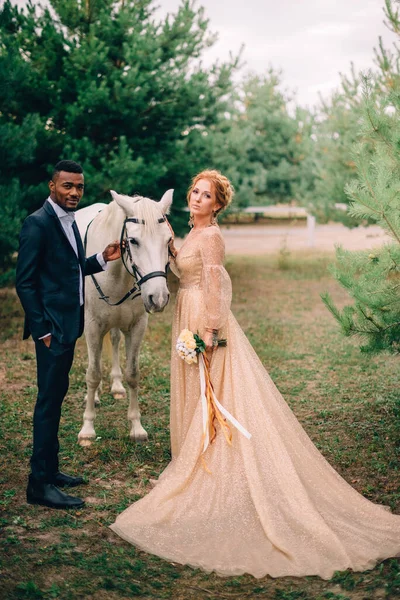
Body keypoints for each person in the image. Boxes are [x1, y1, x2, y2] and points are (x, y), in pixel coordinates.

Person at [110, 170, 400, 579]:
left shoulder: (211, 237)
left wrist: (209, 330)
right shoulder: (191, 234)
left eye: (205, 195)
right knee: (198, 392)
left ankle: (213, 468)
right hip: (185, 313)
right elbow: (176, 264)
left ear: (217, 204)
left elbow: (215, 281)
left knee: (216, 392)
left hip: (204, 321)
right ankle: (195, 461)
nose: (196, 198)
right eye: (194, 191)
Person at [16, 160, 122, 510]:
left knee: (57, 397)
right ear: (52, 186)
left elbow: (69, 268)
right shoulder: (38, 224)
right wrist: (42, 329)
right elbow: (26, 283)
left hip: (68, 325)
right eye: (67, 186)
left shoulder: (69, 220)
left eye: (79, 187)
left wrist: (100, 259)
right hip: (52, 330)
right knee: (48, 403)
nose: (75, 192)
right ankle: (39, 485)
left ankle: (52, 470)